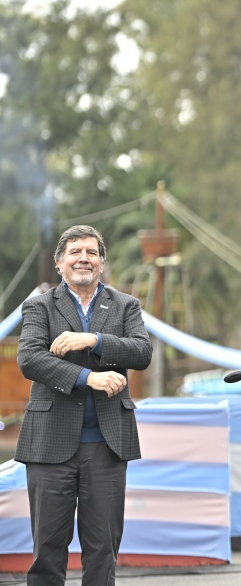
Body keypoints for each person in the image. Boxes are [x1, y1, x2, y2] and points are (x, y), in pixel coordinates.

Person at [16, 225, 152, 585]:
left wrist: (93, 339)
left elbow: (142, 352)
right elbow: (30, 359)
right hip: (49, 444)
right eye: (75, 252)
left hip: (107, 445)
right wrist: (88, 377)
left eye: (92, 252)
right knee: (47, 551)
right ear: (59, 263)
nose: (84, 259)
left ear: (102, 263)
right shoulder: (39, 306)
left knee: (103, 550)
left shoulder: (125, 305)